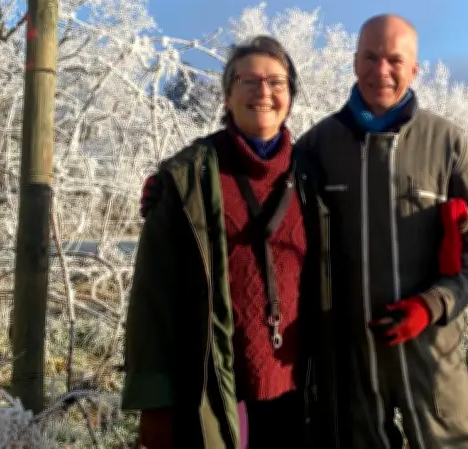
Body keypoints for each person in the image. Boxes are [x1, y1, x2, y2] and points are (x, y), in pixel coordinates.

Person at [295, 14, 468, 449]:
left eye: (394, 59)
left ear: (414, 69)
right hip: (350, 357)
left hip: (432, 349)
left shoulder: (447, 143)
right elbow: (262, 189)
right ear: (354, 62)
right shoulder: (318, 146)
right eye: (370, 57)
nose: (381, 70)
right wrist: (182, 183)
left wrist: (434, 304)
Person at [120, 35, 328, 448]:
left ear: (291, 94)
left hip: (299, 388)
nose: (263, 92)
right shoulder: (188, 179)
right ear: (227, 95)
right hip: (213, 387)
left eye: (276, 81)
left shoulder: (314, 175)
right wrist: (155, 402)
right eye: (248, 81)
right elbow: (153, 298)